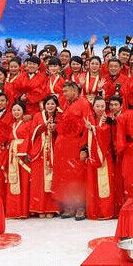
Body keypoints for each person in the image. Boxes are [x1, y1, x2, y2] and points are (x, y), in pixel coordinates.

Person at [54, 82, 93, 219]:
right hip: (64, 148)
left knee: (78, 176)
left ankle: (81, 206)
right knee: (67, 176)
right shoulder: (66, 104)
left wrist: (84, 147)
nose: (64, 94)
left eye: (66, 91)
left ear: (74, 91)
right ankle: (70, 205)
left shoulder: (84, 103)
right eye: (63, 91)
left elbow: (87, 125)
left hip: (76, 145)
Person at [29, 96, 61, 217]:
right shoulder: (38, 116)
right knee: (39, 179)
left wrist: (55, 128)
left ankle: (51, 208)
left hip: (54, 149)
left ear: (56, 105)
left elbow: (64, 131)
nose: (50, 106)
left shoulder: (59, 116)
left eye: (53, 104)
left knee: (53, 178)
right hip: (41, 150)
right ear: (44, 105)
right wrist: (44, 126)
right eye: (48, 104)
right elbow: (33, 132)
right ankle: (39, 207)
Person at [4, 102, 32, 218]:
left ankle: (23, 210)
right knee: (13, 180)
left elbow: (29, 138)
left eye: (18, 110)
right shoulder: (12, 125)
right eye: (14, 110)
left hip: (22, 155)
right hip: (12, 155)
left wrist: (23, 151)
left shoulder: (28, 124)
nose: (16, 112)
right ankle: (14, 210)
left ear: (24, 111)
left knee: (24, 181)